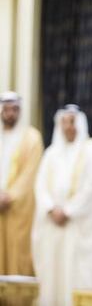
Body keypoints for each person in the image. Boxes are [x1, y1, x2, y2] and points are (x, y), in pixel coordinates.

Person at [32, 104, 92, 306]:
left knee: (77, 276)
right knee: (52, 278)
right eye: (64, 122)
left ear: (81, 122)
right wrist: (50, 208)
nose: (68, 127)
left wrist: (68, 211)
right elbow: (40, 186)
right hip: (53, 227)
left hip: (78, 228)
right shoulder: (51, 153)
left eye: (72, 121)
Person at [0, 91, 43, 276]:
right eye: (7, 109)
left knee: (18, 255)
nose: (10, 113)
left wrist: (10, 196)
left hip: (18, 209)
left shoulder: (32, 137)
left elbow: (30, 174)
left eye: (14, 109)